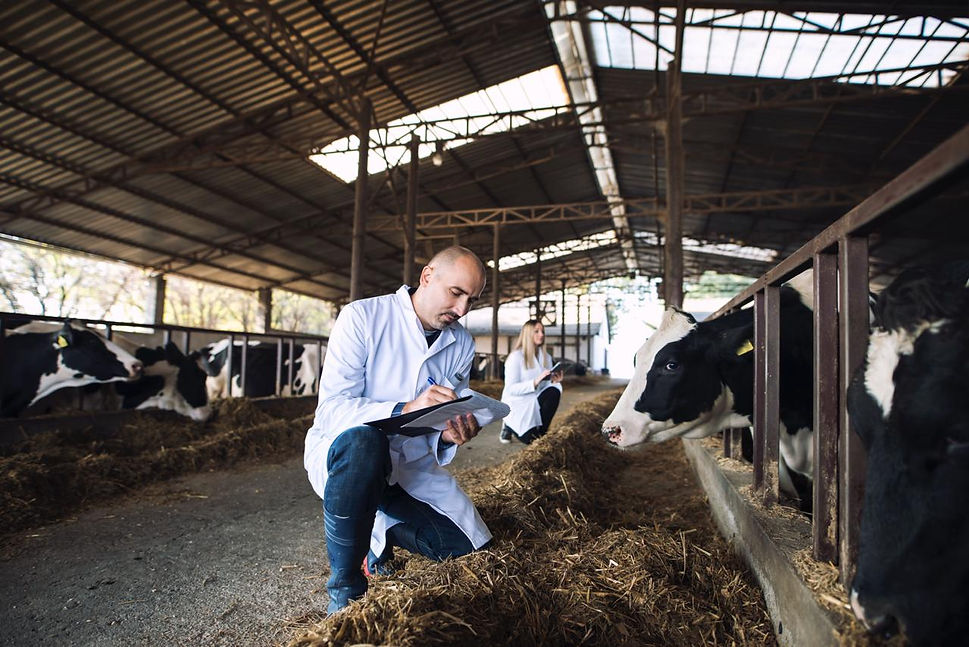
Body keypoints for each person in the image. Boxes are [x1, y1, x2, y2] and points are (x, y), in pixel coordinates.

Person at [304, 246, 492, 614]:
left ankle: (380, 528)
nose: (462, 310)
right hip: (349, 461)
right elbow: (331, 409)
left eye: (472, 299)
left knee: (467, 547)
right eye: (456, 293)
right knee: (364, 442)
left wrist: (448, 433)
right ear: (427, 276)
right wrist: (403, 408)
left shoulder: (462, 344)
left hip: (409, 468)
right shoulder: (363, 317)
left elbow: (440, 418)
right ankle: (345, 589)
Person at [499, 320, 563, 445]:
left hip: (534, 399)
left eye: (543, 331)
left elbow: (545, 386)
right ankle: (508, 424)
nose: (541, 334)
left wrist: (553, 381)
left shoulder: (546, 357)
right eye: (537, 331)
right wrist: (534, 382)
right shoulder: (515, 357)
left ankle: (542, 432)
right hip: (517, 403)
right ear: (528, 334)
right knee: (529, 440)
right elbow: (511, 389)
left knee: (554, 391)